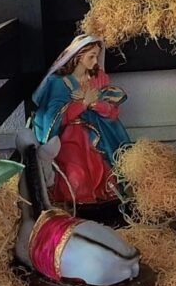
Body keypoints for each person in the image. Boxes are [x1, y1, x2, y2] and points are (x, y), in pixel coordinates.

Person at [31, 35, 132, 205]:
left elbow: (112, 111)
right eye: (91, 56)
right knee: (77, 176)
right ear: (78, 56)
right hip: (70, 137)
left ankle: (106, 204)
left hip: (100, 134)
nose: (96, 61)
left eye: (97, 56)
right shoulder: (59, 83)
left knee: (106, 169)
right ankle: (76, 205)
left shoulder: (98, 78)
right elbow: (52, 117)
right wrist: (83, 104)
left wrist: (94, 104)